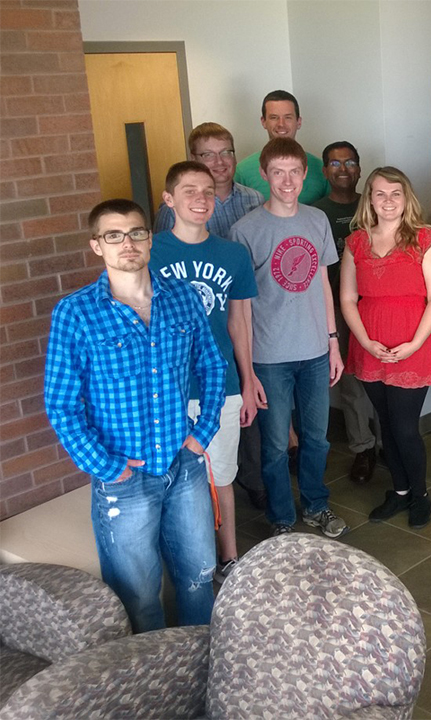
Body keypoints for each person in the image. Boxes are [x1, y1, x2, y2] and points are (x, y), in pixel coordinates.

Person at [44, 198, 226, 632]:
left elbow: (214, 366)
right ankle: (154, 687)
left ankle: (201, 666)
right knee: (139, 598)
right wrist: (107, 467)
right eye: (114, 235)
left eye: (136, 232)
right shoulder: (76, 313)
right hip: (123, 478)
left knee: (200, 579)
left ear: (150, 238)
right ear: (97, 246)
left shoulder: (181, 298)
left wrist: (202, 433)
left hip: (184, 466)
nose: (127, 243)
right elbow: (62, 406)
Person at [229, 137, 347, 539]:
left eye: (294, 172)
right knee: (276, 446)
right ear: (264, 175)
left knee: (317, 439)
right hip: (270, 357)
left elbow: (324, 286)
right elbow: (240, 307)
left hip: (315, 351)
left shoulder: (316, 221)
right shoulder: (244, 231)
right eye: (277, 172)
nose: (287, 181)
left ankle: (316, 504)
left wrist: (333, 342)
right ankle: (282, 516)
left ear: (304, 174)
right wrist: (248, 372)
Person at [150, 161, 260, 583]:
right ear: (169, 199)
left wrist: (248, 381)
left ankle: (229, 556)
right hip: (170, 388)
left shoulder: (231, 253)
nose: (200, 199)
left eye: (207, 192)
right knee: (177, 479)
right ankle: (191, 562)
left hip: (222, 385)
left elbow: (238, 323)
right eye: (189, 190)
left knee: (222, 474)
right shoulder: (152, 252)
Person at [340, 167, 431, 529]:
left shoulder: (424, 238)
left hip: (412, 346)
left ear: (407, 197)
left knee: (404, 428)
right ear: (369, 198)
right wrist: (367, 341)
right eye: (380, 193)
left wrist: (413, 344)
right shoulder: (356, 242)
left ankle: (420, 495)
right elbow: (348, 299)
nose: (388, 200)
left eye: (395, 193)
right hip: (369, 345)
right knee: (384, 422)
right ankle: (399, 492)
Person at [312, 141, 378, 484]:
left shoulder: (377, 206)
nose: (342, 168)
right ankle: (363, 447)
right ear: (324, 171)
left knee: (384, 377)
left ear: (359, 168)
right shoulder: (314, 212)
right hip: (337, 308)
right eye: (335, 163)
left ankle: (388, 442)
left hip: (379, 305)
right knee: (352, 383)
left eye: (350, 162)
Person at [153, 122, 264, 237]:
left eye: (225, 153)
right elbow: (162, 250)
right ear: (193, 159)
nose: (219, 161)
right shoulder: (174, 208)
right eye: (208, 155)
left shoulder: (255, 199)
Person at [233, 90, 330, 205]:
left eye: (288, 117)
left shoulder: (321, 169)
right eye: (274, 117)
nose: (281, 124)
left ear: (298, 122)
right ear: (263, 122)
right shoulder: (242, 171)